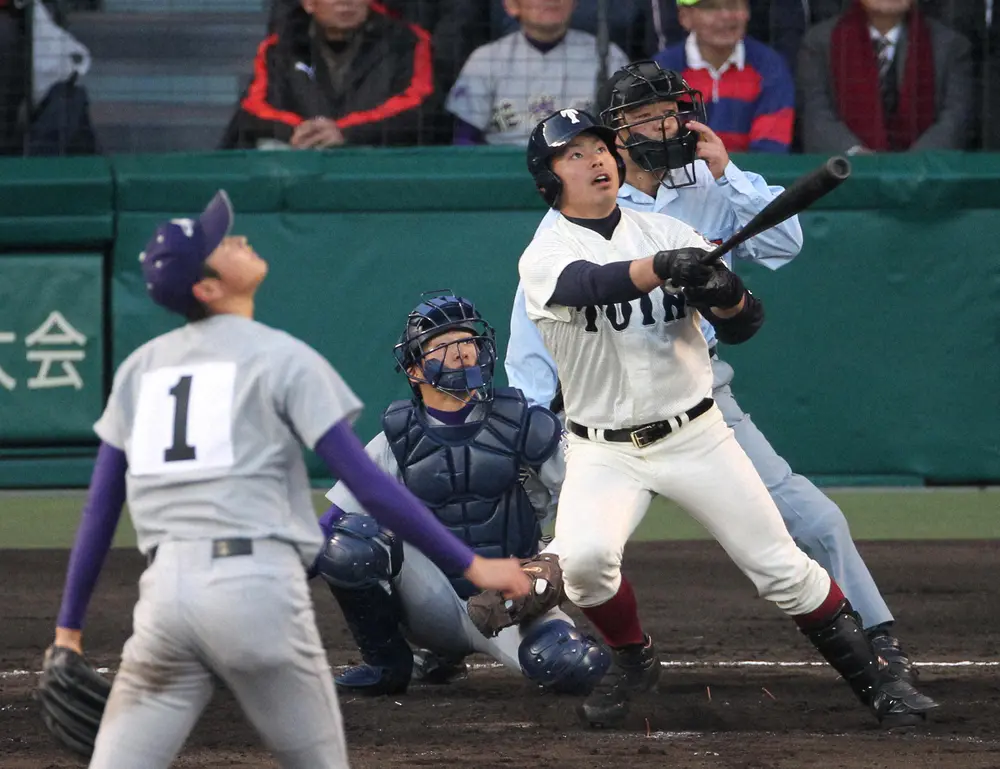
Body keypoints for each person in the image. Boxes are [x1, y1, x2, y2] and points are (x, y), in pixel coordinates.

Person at [44, 191, 530, 768]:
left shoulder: (139, 368)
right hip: (255, 591)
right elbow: (369, 487)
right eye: (219, 244)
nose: (236, 238)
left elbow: (101, 507)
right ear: (208, 288)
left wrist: (68, 630)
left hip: (165, 600)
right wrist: (473, 565)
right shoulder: (281, 358)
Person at [515, 107, 938, 729]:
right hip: (604, 450)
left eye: (599, 147)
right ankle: (634, 656)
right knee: (583, 566)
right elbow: (591, 285)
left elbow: (744, 324)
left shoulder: (665, 230)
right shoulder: (545, 253)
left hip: (696, 435)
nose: (596, 159)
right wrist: (664, 268)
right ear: (548, 178)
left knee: (782, 568)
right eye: (574, 154)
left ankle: (880, 685)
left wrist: (721, 292)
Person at [312, 293, 610, 696]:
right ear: (415, 369)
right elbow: (328, 526)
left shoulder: (524, 423)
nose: (462, 351)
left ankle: (628, 653)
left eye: (468, 340)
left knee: (574, 667)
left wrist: (553, 563)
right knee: (348, 544)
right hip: (430, 604)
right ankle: (389, 664)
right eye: (444, 344)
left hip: (513, 600)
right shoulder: (397, 437)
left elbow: (592, 502)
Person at [221, 0, 440, 150]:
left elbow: (420, 107)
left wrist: (346, 133)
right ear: (309, 3)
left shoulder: (408, 42)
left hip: (375, 164)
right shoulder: (278, 48)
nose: (346, 2)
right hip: (300, 160)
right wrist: (300, 131)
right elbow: (255, 108)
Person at [797, 0, 973, 154]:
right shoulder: (820, 43)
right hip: (845, 173)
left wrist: (911, 165)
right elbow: (816, 116)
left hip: (924, 174)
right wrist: (858, 156)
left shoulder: (950, 46)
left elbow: (954, 120)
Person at [445, 0, 629, 146]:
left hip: (583, 167)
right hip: (504, 168)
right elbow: (464, 140)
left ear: (574, 3)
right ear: (511, 5)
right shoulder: (486, 58)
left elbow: (627, 130)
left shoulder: (608, 55)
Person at [652, 0, 795, 153]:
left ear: (747, 12)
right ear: (685, 17)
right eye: (710, 7)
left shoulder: (770, 66)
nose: (725, 15)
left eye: (733, 5)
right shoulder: (661, 70)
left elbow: (770, 150)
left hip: (749, 169)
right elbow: (655, 143)